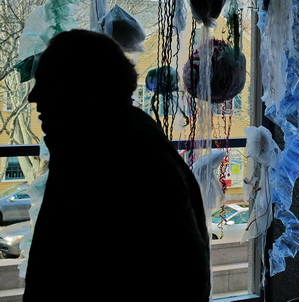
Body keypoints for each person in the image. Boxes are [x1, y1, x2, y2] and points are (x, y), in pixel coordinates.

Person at [24, 30, 210, 301]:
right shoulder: (90, 144)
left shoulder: (129, 156)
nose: (34, 97)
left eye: (48, 83)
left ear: (85, 88)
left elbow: (182, 275)